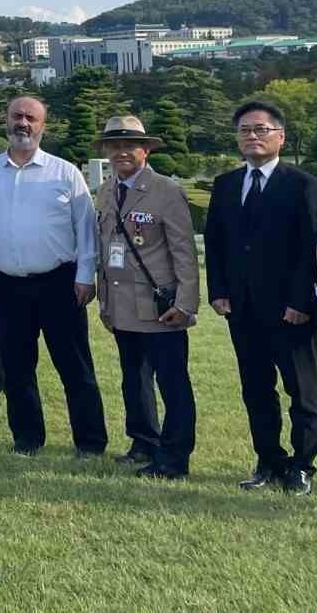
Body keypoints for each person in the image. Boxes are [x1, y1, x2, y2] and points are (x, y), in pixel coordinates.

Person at [0, 96, 108, 458]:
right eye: (17, 116)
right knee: (16, 367)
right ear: (6, 120)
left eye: (31, 118)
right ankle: (27, 439)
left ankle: (90, 443)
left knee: (74, 366)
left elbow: (86, 229)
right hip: (8, 283)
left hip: (59, 282)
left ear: (43, 125)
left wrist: (86, 275)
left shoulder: (64, 173)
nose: (23, 124)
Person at [206, 100, 317, 495]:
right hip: (241, 308)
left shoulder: (305, 185)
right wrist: (218, 291)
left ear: (280, 136)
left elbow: (313, 249)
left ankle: (303, 465)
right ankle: (268, 460)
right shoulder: (225, 185)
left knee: (301, 391)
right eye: (244, 130)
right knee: (256, 388)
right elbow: (217, 244)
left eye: (261, 129)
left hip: (291, 310)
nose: (252, 137)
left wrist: (301, 301)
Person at [92, 116, 199, 480]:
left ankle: (174, 456)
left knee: (172, 384)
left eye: (129, 144)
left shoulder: (166, 191)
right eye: (114, 145)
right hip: (122, 306)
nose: (121, 151)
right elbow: (105, 252)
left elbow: (184, 252)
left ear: (146, 149)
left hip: (160, 307)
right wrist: (104, 301)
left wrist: (185, 304)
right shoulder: (107, 190)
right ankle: (143, 442)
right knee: (133, 379)